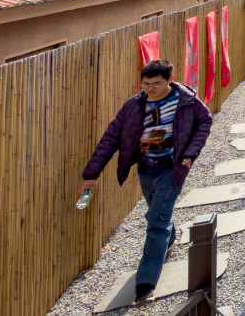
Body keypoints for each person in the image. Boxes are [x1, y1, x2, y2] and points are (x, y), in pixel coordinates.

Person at [79, 59, 212, 303]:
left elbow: (205, 121)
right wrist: (91, 174)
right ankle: (170, 238)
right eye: (145, 84)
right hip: (145, 170)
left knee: (156, 224)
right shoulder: (133, 106)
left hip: (172, 169)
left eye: (156, 84)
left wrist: (191, 152)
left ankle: (145, 284)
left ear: (170, 80)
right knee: (157, 212)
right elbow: (110, 138)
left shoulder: (187, 101)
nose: (149, 89)